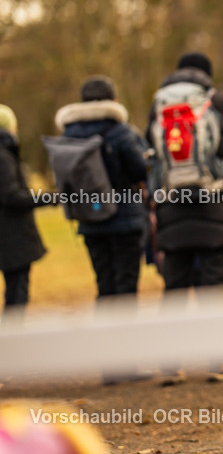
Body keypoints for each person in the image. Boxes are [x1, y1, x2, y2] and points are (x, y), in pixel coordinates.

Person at [147, 52, 223, 382]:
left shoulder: (159, 103)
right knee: (214, 282)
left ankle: (169, 364)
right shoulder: (217, 99)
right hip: (214, 201)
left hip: (172, 204)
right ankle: (217, 361)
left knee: (175, 285)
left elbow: (148, 146)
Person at [55, 77, 148, 302]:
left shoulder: (69, 134)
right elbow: (139, 170)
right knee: (125, 285)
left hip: (89, 218)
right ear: (113, 100)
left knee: (104, 284)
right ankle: (125, 335)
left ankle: (104, 333)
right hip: (124, 218)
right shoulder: (119, 131)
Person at [0, 105, 47, 320]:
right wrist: (47, 198)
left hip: (9, 237)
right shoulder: (3, 157)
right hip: (11, 237)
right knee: (17, 294)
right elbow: (12, 197)